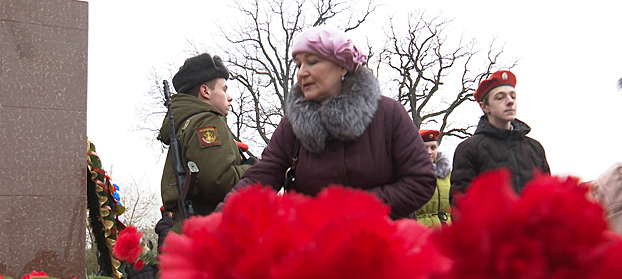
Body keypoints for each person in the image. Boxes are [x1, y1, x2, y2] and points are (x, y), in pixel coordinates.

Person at [220, 25, 436, 219]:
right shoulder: (291, 126)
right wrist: (220, 217)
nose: (302, 72)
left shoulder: (389, 114)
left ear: (343, 66)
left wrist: (352, 210)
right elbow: (259, 179)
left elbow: (420, 182)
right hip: (318, 250)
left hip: (385, 248)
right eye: (298, 64)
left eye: (312, 62)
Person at [159, 53, 254, 233]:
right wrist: (252, 169)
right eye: (224, 89)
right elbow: (219, 182)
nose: (229, 97)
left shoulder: (186, 123)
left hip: (193, 229)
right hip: (213, 233)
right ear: (205, 91)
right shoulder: (207, 122)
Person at [450, 70, 550, 202]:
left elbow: (549, 194)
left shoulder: (534, 148)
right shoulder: (469, 149)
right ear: (485, 107)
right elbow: (461, 203)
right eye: (500, 97)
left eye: (513, 96)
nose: (510, 101)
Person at [415, 130, 451, 227]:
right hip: (422, 231)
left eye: (433, 147)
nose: (429, 152)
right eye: (424, 148)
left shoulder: (447, 174)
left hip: (446, 231)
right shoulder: (410, 174)